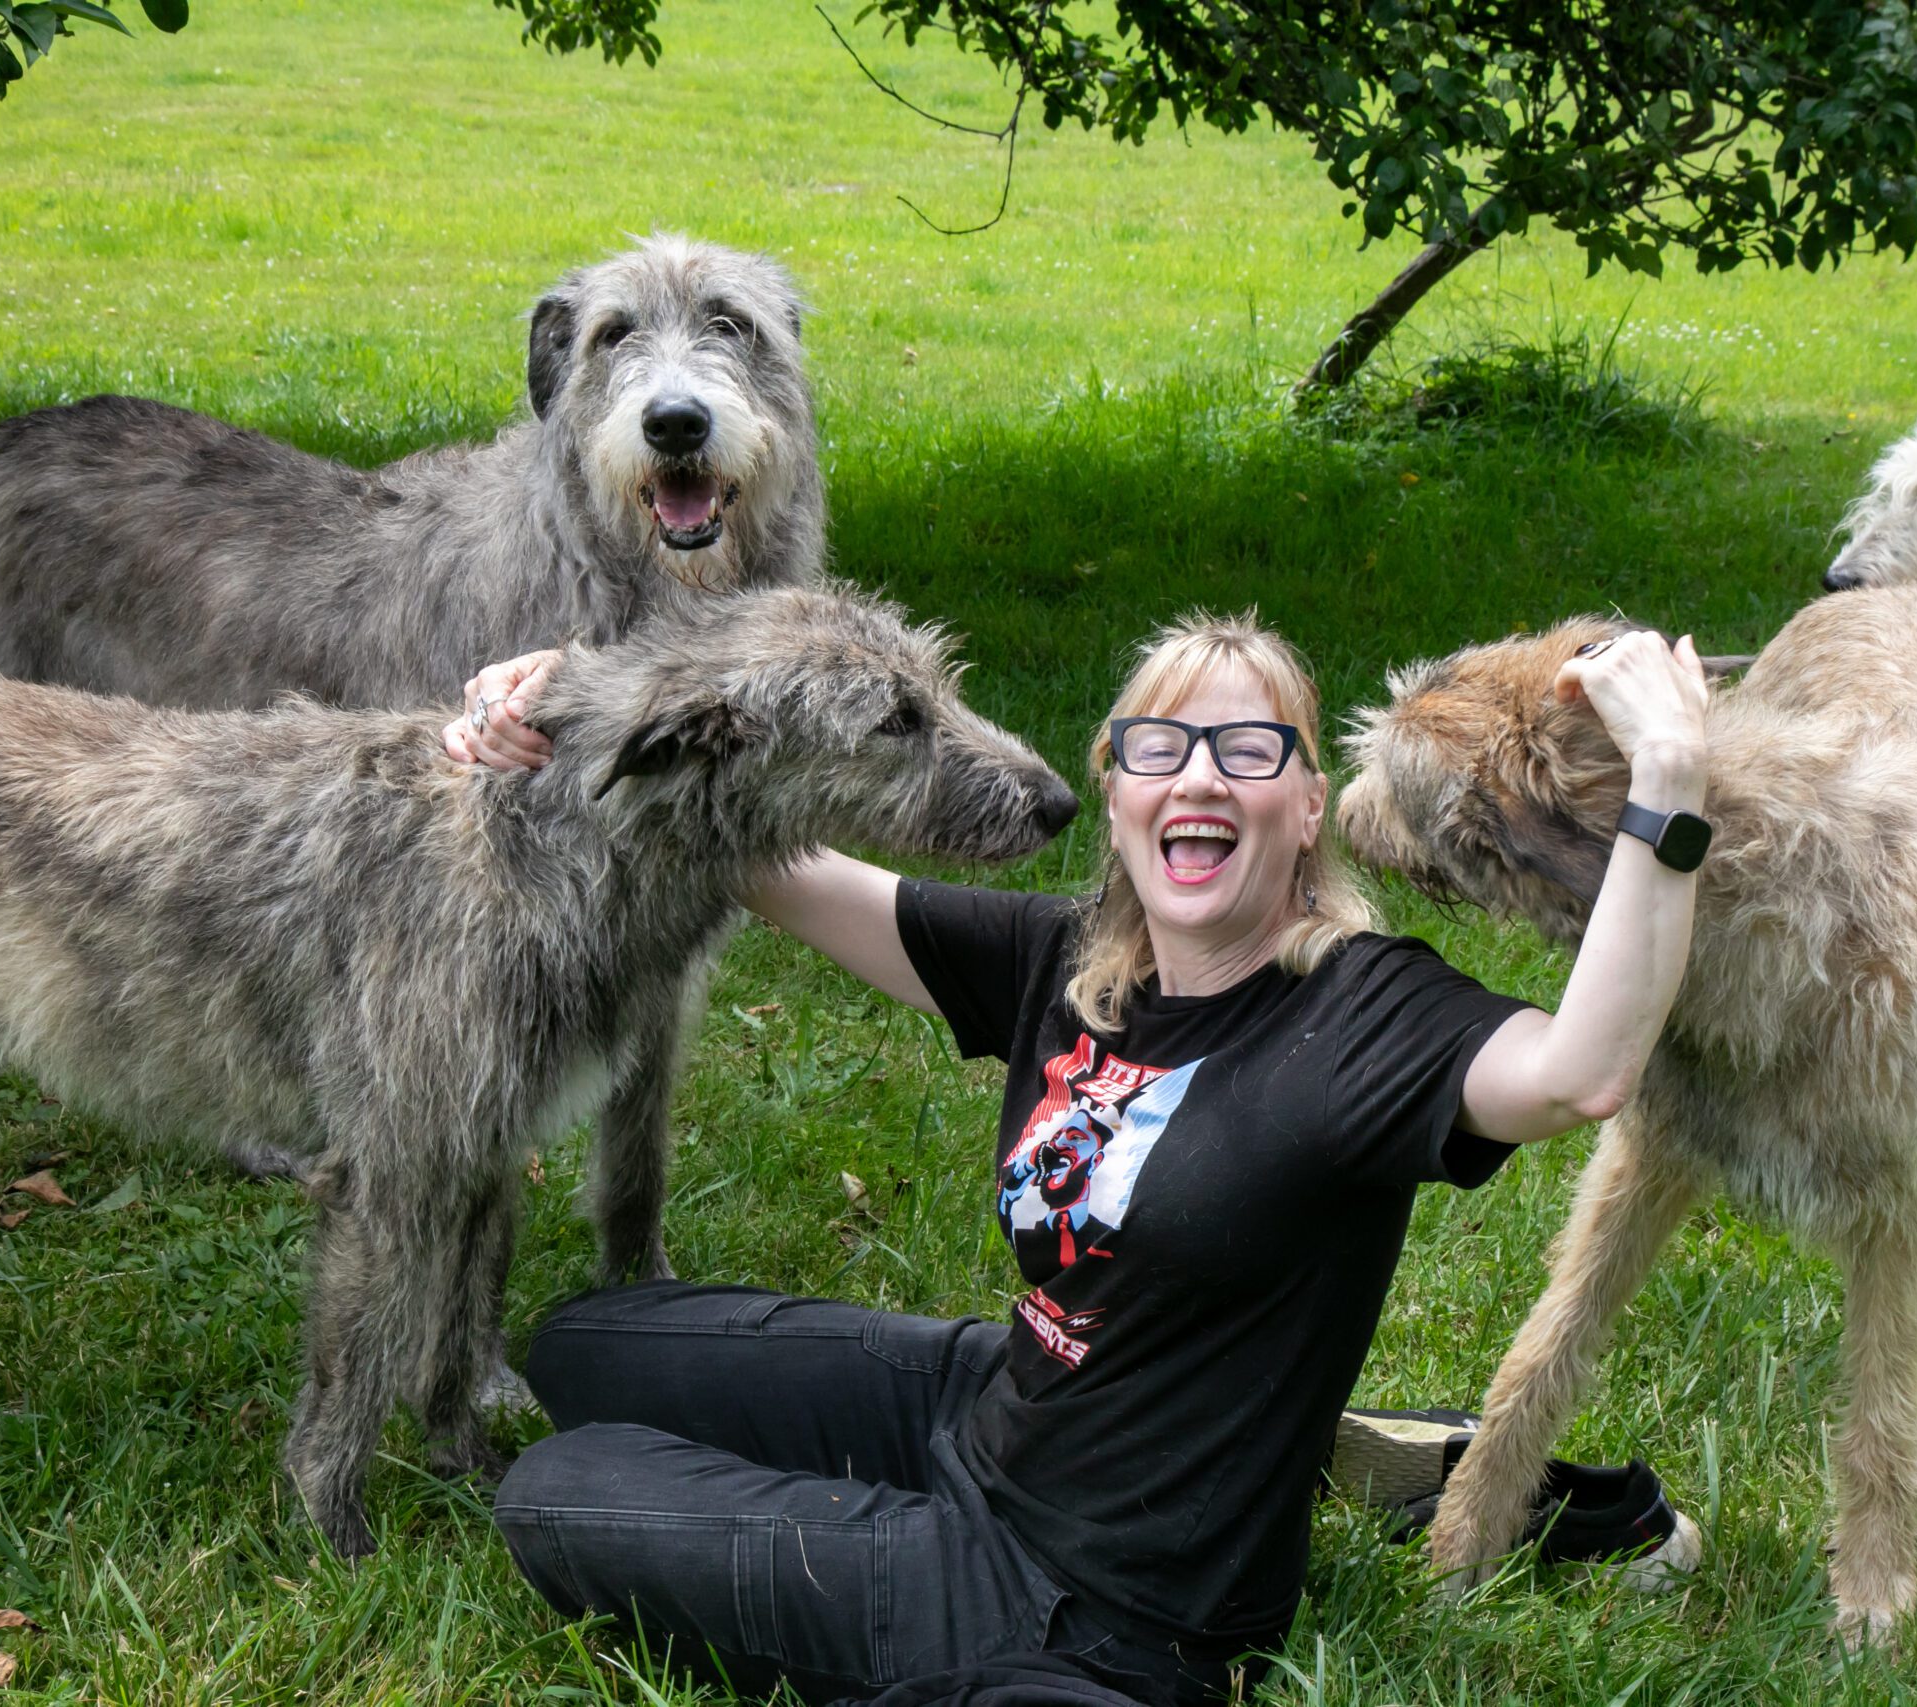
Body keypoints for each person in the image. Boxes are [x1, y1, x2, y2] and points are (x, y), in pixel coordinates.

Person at [446, 611, 1711, 1705]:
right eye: (1158, 749)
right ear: (1117, 795)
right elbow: (771, 858)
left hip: (1091, 1591)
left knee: (557, 1488)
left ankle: (1275, 1472)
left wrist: (1668, 782)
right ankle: (1321, 1450)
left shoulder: (1364, 1012)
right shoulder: (1075, 966)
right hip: (1007, 1400)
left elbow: (1580, 1071)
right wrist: (564, 701)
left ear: (1309, 803)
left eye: (1249, 749)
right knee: (582, 1346)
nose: (1199, 779)